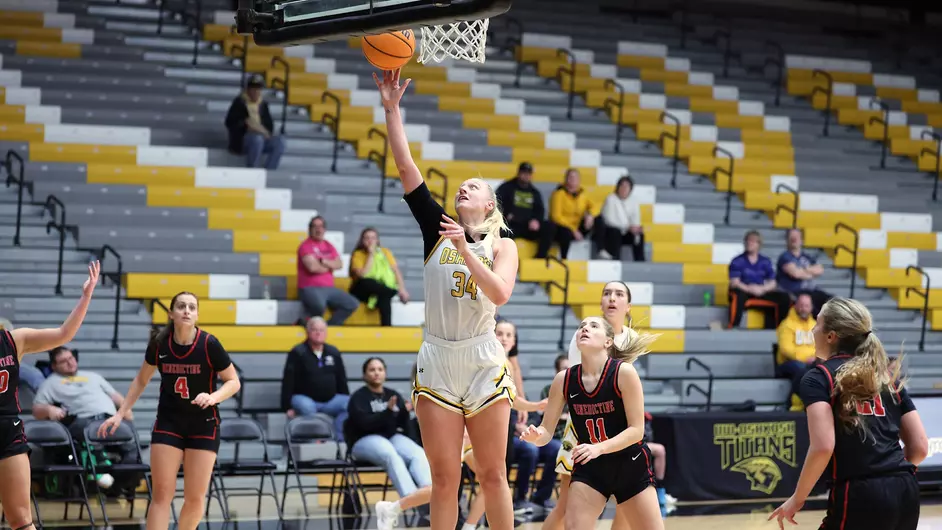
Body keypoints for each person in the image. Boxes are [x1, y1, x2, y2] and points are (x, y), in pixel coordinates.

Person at [375, 68, 519, 530]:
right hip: (437, 354)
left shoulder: (502, 246)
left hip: (480, 357)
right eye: (461, 185)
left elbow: (500, 293)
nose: (463, 188)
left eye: (474, 187)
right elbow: (406, 168)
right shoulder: (435, 228)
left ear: (489, 206)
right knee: (444, 478)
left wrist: (464, 251)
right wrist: (392, 110)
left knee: (494, 475)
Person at [770, 297, 928, 530]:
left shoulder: (819, 377)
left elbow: (823, 447)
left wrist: (798, 498)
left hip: (860, 492)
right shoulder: (886, 378)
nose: (813, 329)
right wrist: (889, 475)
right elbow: (920, 447)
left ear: (831, 336)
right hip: (906, 490)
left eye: (818, 324)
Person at [98, 291, 241, 530]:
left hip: (203, 424)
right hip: (169, 422)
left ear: (196, 315)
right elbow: (141, 380)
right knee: (162, 494)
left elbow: (233, 381)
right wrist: (120, 412)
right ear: (171, 313)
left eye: (192, 307)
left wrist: (213, 397)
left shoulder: (209, 344)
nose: (187, 310)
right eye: (182, 306)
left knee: (194, 498)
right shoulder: (159, 344)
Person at [522, 317, 663, 530]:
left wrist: (599, 448)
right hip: (590, 468)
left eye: (593, 326)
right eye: (581, 327)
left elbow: (637, 430)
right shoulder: (564, 379)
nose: (584, 329)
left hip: (629, 463)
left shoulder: (623, 373)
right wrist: (537, 436)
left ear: (608, 341)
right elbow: (546, 432)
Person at [0, 261, 99, 530]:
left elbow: (63, 334)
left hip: (8, 429)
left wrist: (85, 296)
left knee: (21, 520)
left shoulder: (13, 340)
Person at [542, 280, 639, 530]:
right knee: (567, 507)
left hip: (615, 431)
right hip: (582, 427)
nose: (612, 298)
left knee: (627, 503)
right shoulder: (587, 331)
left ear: (628, 306)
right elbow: (582, 386)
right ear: (600, 302)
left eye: (619, 294)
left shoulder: (631, 338)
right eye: (607, 293)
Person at [32, 346, 140, 493]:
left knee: (132, 446)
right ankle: (100, 467)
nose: (70, 363)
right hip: (83, 421)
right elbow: (36, 410)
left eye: (71, 358)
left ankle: (118, 484)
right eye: (63, 361)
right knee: (88, 433)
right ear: (54, 366)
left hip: (109, 419)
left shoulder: (94, 376)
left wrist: (125, 412)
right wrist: (49, 409)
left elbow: (116, 397)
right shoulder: (50, 383)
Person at [347, 356, 431, 522]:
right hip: (363, 440)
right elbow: (364, 424)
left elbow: (403, 424)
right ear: (364, 375)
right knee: (390, 453)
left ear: (385, 373)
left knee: (416, 452)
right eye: (372, 370)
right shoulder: (359, 398)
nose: (376, 373)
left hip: (391, 437)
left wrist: (403, 412)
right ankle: (411, 499)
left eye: (380, 369)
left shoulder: (393, 395)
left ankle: (428, 493)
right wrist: (387, 411)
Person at [280, 317, 350, 440]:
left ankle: (339, 438)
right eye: (314, 330)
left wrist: (344, 395)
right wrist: (287, 407)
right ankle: (314, 441)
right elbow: (288, 380)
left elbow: (341, 378)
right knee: (307, 407)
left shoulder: (333, 352)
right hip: (304, 398)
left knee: (349, 403)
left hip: (330, 401)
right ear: (307, 332)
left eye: (322, 330)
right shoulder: (298, 352)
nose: (318, 333)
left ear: (326, 333)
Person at [297, 215, 360, 325]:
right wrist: (330, 266)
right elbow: (312, 267)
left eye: (321, 226)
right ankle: (304, 323)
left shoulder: (328, 245)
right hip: (310, 287)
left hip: (329, 288)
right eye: (315, 226)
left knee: (352, 304)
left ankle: (329, 327)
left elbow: (339, 264)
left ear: (324, 229)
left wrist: (323, 262)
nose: (318, 229)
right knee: (319, 306)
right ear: (309, 229)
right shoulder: (305, 246)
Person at [727, 230, 791, 329]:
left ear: (759, 244)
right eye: (747, 240)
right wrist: (749, 288)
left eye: (753, 241)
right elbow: (735, 282)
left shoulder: (765, 261)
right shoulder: (737, 261)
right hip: (744, 290)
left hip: (760, 291)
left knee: (784, 297)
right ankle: (733, 326)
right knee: (737, 293)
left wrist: (762, 289)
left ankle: (781, 328)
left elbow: (773, 282)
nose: (749, 243)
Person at [348, 227, 410, 326]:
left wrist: (402, 289)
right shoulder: (358, 254)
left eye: (373, 238)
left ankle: (387, 329)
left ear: (377, 240)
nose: (370, 241)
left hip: (380, 289)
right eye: (367, 238)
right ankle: (392, 291)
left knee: (384, 297)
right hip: (360, 289)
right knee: (368, 282)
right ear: (362, 240)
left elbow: (395, 270)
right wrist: (371, 254)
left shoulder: (385, 252)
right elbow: (363, 274)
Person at [224, 74, 286, 169]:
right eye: (253, 89)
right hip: (242, 141)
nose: (256, 92)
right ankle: (253, 170)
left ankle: (269, 171)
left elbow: (269, 126)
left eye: (258, 89)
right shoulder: (239, 102)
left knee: (280, 141)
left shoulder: (263, 104)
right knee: (257, 140)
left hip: (262, 137)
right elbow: (233, 123)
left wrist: (263, 131)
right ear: (248, 89)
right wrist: (255, 129)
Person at [537, 169, 595, 260]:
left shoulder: (583, 194)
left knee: (598, 220)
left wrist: (590, 215)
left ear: (579, 180)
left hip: (577, 227)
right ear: (566, 179)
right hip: (561, 227)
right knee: (565, 232)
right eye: (570, 177)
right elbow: (556, 217)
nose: (573, 180)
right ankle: (564, 258)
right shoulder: (558, 194)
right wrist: (573, 230)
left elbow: (594, 206)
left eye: (575, 178)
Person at [776, 229, 832, 316]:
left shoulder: (806, 256)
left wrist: (802, 269)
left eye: (797, 237)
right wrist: (810, 273)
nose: (794, 239)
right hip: (794, 292)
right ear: (787, 240)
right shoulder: (785, 257)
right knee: (811, 305)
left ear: (801, 240)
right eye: (792, 237)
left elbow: (820, 270)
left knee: (831, 301)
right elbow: (795, 274)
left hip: (811, 290)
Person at [775, 293, 817, 409]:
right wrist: (807, 358)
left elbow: (821, 347)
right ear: (796, 306)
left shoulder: (815, 325)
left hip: (811, 362)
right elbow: (785, 349)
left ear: (811, 308)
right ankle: (790, 403)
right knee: (802, 370)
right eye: (801, 305)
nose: (804, 308)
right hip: (787, 363)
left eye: (807, 306)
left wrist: (815, 359)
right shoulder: (786, 324)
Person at [595, 175, 644, 261]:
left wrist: (636, 228)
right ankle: (616, 260)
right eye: (622, 186)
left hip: (626, 232)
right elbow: (608, 220)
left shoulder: (634, 201)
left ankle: (640, 261)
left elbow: (636, 219)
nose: (624, 189)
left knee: (640, 235)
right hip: (611, 231)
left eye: (627, 186)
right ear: (618, 187)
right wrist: (627, 227)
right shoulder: (610, 199)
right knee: (615, 232)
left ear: (630, 189)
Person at [495, 162, 545, 241]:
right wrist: (505, 215)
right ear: (518, 173)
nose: (526, 175)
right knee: (502, 230)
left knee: (549, 227)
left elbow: (540, 210)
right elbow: (497, 203)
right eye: (524, 172)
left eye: (528, 173)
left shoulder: (535, 192)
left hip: (528, 227)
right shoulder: (506, 187)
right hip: (511, 224)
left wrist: (536, 220)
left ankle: (541, 254)